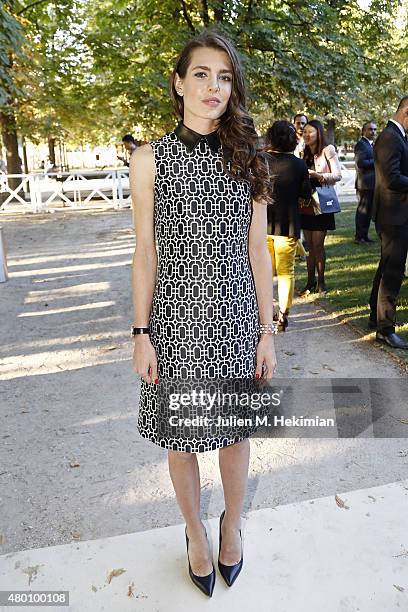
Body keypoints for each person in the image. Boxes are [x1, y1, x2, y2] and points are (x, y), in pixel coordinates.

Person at [130, 30, 277, 597]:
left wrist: (267, 331)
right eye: (200, 74)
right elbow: (145, 253)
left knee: (236, 437)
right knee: (183, 439)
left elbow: (259, 252)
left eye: (223, 76)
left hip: (236, 317)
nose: (213, 86)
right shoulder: (150, 159)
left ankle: (231, 527)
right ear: (178, 82)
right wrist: (140, 334)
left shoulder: (250, 156)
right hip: (174, 322)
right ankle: (194, 533)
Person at [264, 120, 312, 331]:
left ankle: (266, 310)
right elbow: (306, 195)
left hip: (261, 225)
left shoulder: (260, 161)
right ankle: (283, 313)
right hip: (288, 225)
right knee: (286, 273)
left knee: (264, 271)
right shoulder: (299, 164)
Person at [369, 96, 408, 349]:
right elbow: (392, 178)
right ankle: (385, 328)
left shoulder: (398, 136)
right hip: (394, 216)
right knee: (392, 273)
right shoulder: (390, 137)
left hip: (397, 214)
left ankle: (376, 317)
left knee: (386, 267)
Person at [299, 120, 342, 295]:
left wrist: (318, 175)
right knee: (309, 245)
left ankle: (321, 283)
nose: (307, 135)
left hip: (322, 203)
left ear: (319, 133)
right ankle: (310, 281)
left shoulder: (327, 149)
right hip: (305, 203)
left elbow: (337, 175)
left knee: (318, 245)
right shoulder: (302, 152)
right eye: (305, 132)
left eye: (311, 132)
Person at [354, 121, 377, 244]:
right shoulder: (361, 144)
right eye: (370, 129)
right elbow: (361, 163)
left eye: (374, 129)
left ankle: (364, 236)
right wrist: (377, 160)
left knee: (367, 212)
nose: (373, 132)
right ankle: (359, 237)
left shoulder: (371, 145)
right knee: (362, 212)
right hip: (364, 184)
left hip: (371, 184)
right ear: (364, 131)